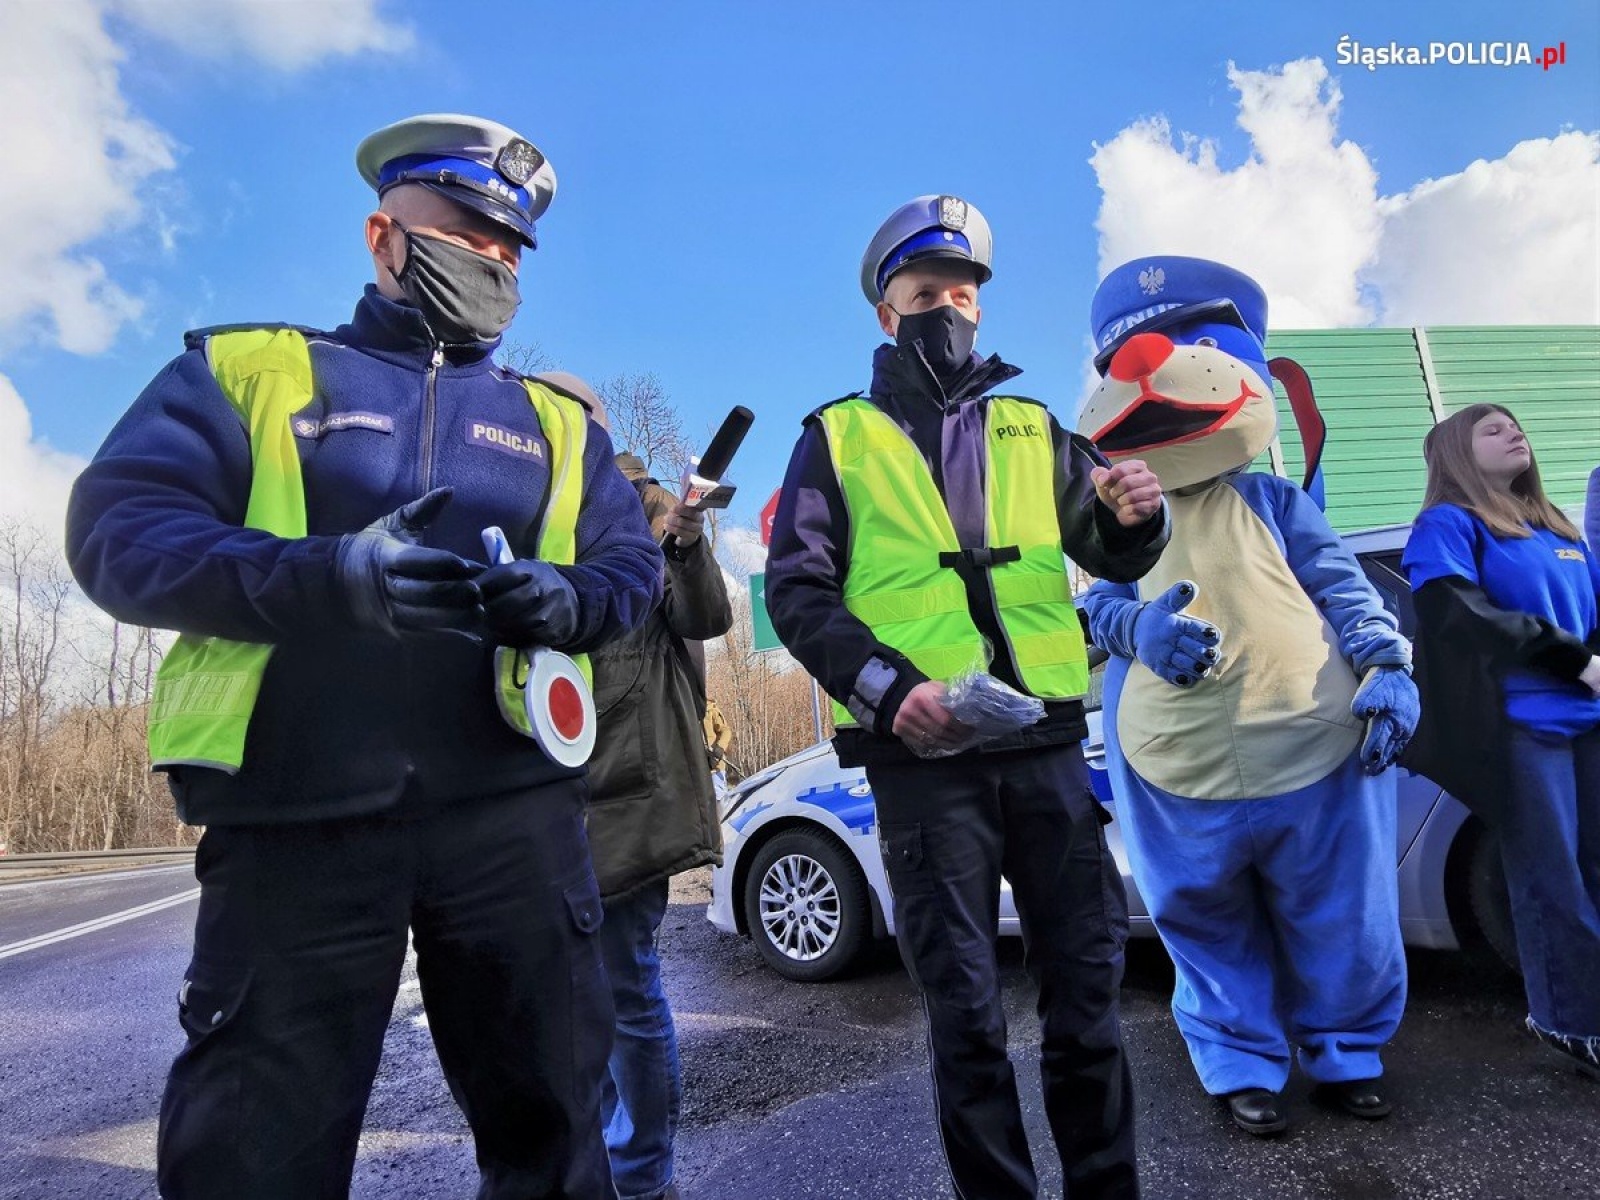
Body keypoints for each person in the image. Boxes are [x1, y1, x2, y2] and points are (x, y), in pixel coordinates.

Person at [65, 115, 663, 1199]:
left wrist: (564, 596)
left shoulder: (558, 427)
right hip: (299, 822)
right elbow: (117, 535)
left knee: (556, 1139)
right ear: (384, 236)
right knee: (256, 1156)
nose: (493, 265)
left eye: (511, 251)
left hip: (512, 822)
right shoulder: (250, 373)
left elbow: (631, 570)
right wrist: (322, 578)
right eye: (468, 236)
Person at [765, 194, 1167, 1200]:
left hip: (1042, 750)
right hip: (924, 763)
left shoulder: (1034, 428)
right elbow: (797, 591)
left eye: (961, 292)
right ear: (884, 311)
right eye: (923, 292)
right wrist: (888, 691)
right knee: (965, 1016)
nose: (947, 306)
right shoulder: (837, 437)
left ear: (980, 306)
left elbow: (1109, 542)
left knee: (1087, 998)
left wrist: (1134, 521)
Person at [1078, 256, 1418, 1137]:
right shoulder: (1114, 519)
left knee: (1341, 910)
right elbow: (1097, 606)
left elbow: (1345, 587)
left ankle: (1347, 1047)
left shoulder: (1272, 499)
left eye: (1192, 342)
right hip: (1178, 766)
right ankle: (1238, 1057)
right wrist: (1136, 631)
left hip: (1310, 746)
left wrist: (1387, 664)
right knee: (1204, 920)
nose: (1160, 359)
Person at [537, 373, 733, 1200]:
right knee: (560, 1001)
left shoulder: (648, 505)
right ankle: (591, 1164)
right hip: (539, 795)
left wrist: (685, 543)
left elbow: (705, 618)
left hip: (627, 789)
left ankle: (642, 1176)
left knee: (624, 990)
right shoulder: (522, 495)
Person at [1402, 403, 1600, 1081]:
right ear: (1458, 452)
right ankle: (1570, 1022)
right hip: (1522, 728)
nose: (1516, 430)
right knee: (1554, 883)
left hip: (1590, 724)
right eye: (1492, 428)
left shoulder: (1558, 530)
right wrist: (1573, 660)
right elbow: (1456, 610)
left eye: (1518, 422)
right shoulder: (1448, 525)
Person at [703, 697, 734, 797]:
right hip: (696, 768)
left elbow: (726, 731)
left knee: (719, 799)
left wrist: (720, 747)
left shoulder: (711, 710)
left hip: (715, 766)